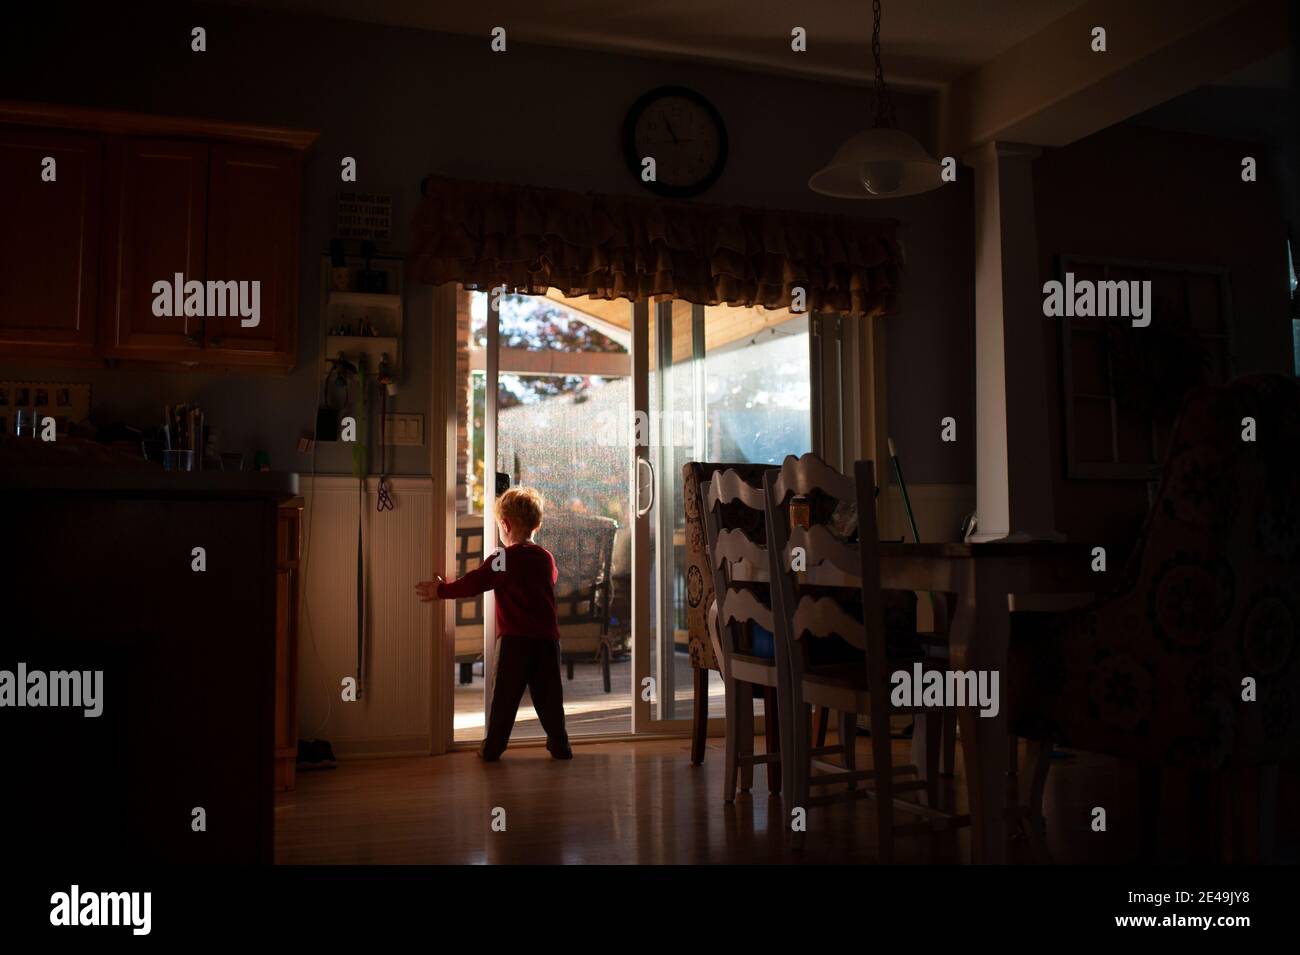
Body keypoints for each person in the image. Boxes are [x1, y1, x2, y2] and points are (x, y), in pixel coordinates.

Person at [416, 487, 572, 761]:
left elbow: (473, 583)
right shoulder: (545, 557)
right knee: (549, 698)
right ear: (537, 525)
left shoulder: (503, 559)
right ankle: (560, 745)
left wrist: (440, 591)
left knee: (505, 698)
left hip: (516, 642)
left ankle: (493, 748)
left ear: (505, 524)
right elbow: (552, 580)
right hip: (548, 641)